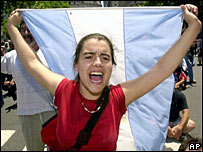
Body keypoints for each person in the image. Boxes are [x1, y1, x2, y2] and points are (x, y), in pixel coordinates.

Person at [6, 4, 202, 151]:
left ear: (111, 66)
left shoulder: (118, 96)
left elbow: (161, 69)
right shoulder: (63, 89)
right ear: (76, 64)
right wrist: (12, 28)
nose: (97, 62)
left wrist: (193, 26)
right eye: (89, 56)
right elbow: (31, 62)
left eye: (105, 57)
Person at [1, 21, 56, 150]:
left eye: (29, 29)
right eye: (23, 30)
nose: (26, 33)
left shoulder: (50, 54)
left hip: (51, 112)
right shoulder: (12, 57)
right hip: (27, 113)